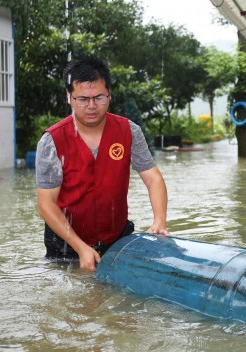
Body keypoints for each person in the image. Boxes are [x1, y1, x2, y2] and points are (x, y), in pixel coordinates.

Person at [36, 57, 168, 272]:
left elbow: (153, 178)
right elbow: (46, 204)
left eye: (99, 97)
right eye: (82, 99)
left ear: (109, 95)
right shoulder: (53, 141)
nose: (91, 106)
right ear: (69, 97)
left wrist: (159, 220)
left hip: (116, 238)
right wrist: (80, 247)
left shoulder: (129, 131)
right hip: (65, 244)